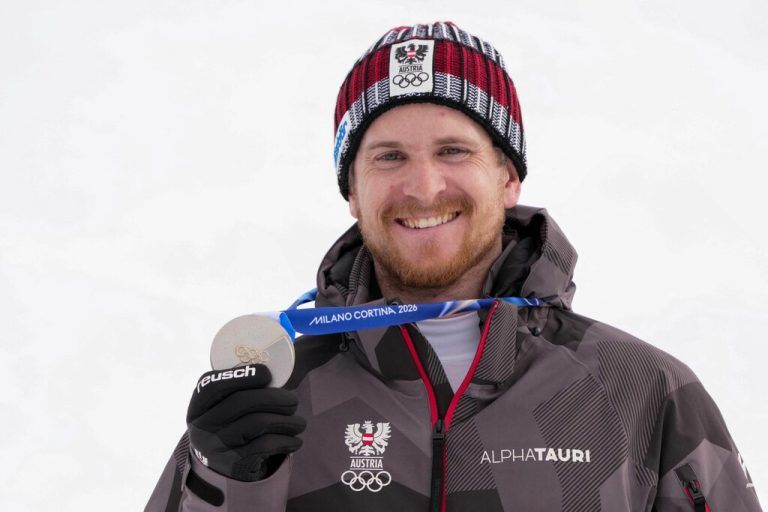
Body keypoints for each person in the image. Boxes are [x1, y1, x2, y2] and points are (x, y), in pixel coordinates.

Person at [146, 21, 761, 511]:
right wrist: (217, 481)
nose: (423, 185)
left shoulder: (642, 390)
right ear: (353, 193)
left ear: (508, 177)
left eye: (453, 151)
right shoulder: (273, 397)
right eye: (388, 157)